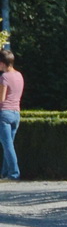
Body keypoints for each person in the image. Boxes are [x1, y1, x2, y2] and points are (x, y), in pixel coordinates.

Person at [0, 49, 23, 181]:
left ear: (3, 63)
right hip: (16, 113)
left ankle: (14, 173)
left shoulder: (4, 77)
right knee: (9, 145)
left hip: (5, 113)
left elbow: (1, 99)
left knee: (7, 146)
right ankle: (5, 173)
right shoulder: (19, 75)